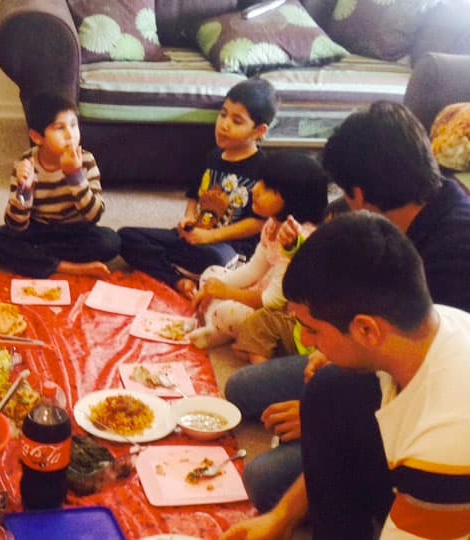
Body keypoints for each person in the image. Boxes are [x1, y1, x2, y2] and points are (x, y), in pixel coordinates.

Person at [224, 101, 470, 514]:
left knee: (264, 480)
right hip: (374, 358)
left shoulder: (453, 260)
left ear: (362, 195)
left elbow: (411, 375)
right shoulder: (418, 203)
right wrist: (328, 355)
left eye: (345, 193)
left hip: (415, 396)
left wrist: (324, 421)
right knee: (243, 389)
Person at [222, 212, 470, 540]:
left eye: (313, 330)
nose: (306, 342)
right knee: (331, 388)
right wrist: (281, 517)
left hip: (446, 493)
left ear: (367, 330)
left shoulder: (444, 439)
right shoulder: (421, 328)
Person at [119, 79, 278, 297]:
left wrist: (210, 237)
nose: (224, 125)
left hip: (231, 249)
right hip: (197, 238)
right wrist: (190, 220)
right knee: (126, 237)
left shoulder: (264, 168)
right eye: (223, 114)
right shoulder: (212, 157)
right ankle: (178, 280)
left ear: (259, 131)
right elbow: (194, 198)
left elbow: (259, 223)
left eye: (237, 121)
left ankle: (179, 267)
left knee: (214, 259)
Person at [186, 152, 329, 353]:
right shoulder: (272, 224)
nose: (255, 189)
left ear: (294, 199)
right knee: (211, 274)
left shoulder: (296, 238)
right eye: (260, 181)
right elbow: (252, 270)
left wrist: (225, 292)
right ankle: (217, 328)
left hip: (279, 314)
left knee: (228, 312)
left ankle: (219, 329)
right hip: (260, 289)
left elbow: (273, 301)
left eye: (268, 188)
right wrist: (214, 287)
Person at [0, 93, 119, 278]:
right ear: (37, 137)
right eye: (59, 128)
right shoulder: (25, 164)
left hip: (75, 230)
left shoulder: (86, 160)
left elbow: (94, 216)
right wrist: (25, 190)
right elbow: (16, 225)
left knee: (110, 242)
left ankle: (36, 260)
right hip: (38, 229)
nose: (70, 134)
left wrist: (75, 175)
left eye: (73, 124)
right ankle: (66, 267)